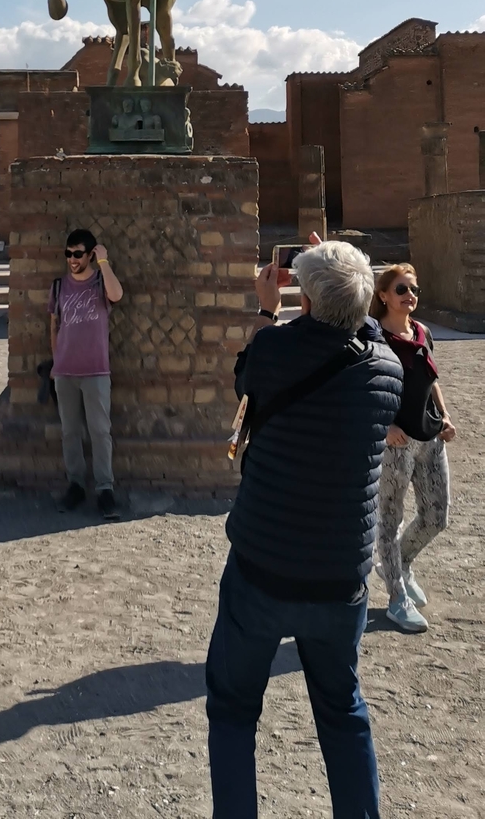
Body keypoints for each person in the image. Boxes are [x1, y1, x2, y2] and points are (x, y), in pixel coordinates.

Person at [206, 242, 403, 819]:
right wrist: (343, 273)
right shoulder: (386, 367)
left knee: (235, 710)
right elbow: (357, 329)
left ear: (307, 298)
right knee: (342, 712)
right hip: (339, 579)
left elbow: (248, 379)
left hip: (262, 570)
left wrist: (269, 309)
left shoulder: (274, 348)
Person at [371, 264, 456, 634]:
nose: (411, 295)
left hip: (430, 437)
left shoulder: (422, 331)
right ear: (383, 295)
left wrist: (446, 415)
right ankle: (396, 598)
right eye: (402, 289)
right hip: (395, 442)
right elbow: (366, 387)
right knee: (389, 519)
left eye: (414, 289)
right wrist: (385, 425)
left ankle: (399, 563)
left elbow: (431, 379)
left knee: (436, 515)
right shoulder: (374, 337)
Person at [48, 228, 123, 520]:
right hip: (65, 371)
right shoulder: (58, 287)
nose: (72, 259)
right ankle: (76, 485)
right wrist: (56, 363)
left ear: (90, 254)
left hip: (96, 370)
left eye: (78, 254)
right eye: (68, 254)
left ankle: (105, 489)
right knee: (70, 432)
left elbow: (117, 295)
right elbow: (54, 327)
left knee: (100, 432)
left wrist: (104, 263)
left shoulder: (100, 284)